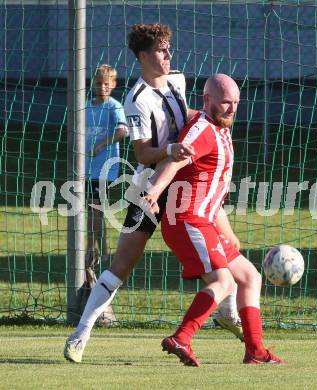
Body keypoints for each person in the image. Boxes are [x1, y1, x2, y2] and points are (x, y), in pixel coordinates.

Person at [64, 24, 241, 364]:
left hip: (186, 187)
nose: (168, 55)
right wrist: (172, 148)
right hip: (149, 188)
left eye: (169, 48)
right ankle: (80, 334)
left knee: (226, 250)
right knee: (122, 265)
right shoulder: (135, 100)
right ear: (143, 56)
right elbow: (143, 154)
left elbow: (187, 118)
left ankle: (229, 314)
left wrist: (211, 120)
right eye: (161, 51)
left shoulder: (179, 80)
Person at [144, 74, 283, 366]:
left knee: (250, 276)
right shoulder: (202, 131)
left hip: (204, 221)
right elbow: (174, 162)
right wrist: (154, 191)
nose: (232, 109)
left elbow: (210, 190)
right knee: (223, 281)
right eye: (225, 103)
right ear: (207, 100)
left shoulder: (219, 128)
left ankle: (255, 351)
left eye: (235, 103)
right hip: (187, 221)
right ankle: (181, 338)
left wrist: (227, 231)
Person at [85, 64, 129, 264]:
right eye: (98, 83)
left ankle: (90, 250)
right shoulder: (85, 106)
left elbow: (122, 132)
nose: (102, 87)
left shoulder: (114, 106)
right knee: (92, 209)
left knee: (95, 208)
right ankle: (102, 250)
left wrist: (102, 144)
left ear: (113, 84)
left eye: (106, 84)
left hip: (104, 168)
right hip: (85, 168)